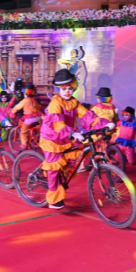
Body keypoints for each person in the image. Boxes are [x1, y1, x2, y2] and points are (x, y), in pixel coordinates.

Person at [39, 69, 93, 210]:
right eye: (64, 89)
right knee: (54, 167)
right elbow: (59, 125)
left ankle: (59, 178)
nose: (67, 91)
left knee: (74, 156)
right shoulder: (55, 103)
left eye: (70, 88)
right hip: (52, 138)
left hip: (66, 136)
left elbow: (87, 115)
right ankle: (53, 200)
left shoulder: (74, 102)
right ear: (58, 89)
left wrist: (104, 124)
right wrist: (73, 133)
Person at [11, 82, 42, 150]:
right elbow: (39, 107)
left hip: (30, 119)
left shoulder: (25, 100)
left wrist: (12, 112)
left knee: (23, 130)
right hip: (38, 118)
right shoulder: (34, 100)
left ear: (26, 92)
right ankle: (35, 137)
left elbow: (17, 107)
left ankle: (24, 144)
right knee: (38, 128)